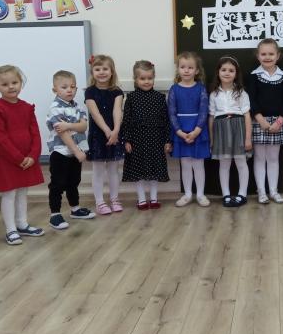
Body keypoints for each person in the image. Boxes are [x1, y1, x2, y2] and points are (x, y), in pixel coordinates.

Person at [0, 65, 45, 246]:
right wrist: (18, 158)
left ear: (21, 83)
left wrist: (33, 155)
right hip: (9, 160)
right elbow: (0, 138)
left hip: (28, 159)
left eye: (14, 82)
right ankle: (11, 229)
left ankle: (22, 224)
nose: (11, 87)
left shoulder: (27, 107)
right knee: (9, 193)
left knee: (22, 192)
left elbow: (35, 133)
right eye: (5, 84)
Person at [45, 70, 94, 230]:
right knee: (58, 184)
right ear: (55, 90)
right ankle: (55, 214)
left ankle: (75, 209)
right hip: (61, 152)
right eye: (64, 87)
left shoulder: (77, 106)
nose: (69, 90)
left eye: (72, 87)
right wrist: (77, 150)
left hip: (75, 152)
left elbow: (83, 126)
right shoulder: (55, 108)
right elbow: (63, 133)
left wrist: (68, 125)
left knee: (74, 181)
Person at [122, 60, 171, 210]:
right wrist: (127, 140)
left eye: (150, 78)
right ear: (135, 79)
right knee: (138, 169)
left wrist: (167, 140)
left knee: (155, 169)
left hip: (156, 138)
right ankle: (141, 199)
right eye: (142, 78)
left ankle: (154, 198)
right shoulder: (131, 98)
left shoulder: (159, 97)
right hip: (137, 139)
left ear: (153, 78)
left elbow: (166, 120)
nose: (146, 81)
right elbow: (126, 120)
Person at [246, 39, 283, 204]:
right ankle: (261, 191)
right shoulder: (254, 76)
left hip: (278, 122)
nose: (267, 57)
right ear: (258, 56)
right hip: (259, 121)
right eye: (263, 54)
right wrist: (260, 119)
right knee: (259, 158)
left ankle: (273, 190)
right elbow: (251, 100)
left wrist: (279, 121)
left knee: (273, 158)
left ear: (278, 56)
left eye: (271, 54)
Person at [168, 52, 210, 207]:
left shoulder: (201, 88)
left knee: (198, 164)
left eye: (190, 67)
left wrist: (197, 131)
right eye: (183, 67)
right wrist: (179, 132)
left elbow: (204, 111)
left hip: (198, 130)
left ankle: (200, 194)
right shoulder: (174, 89)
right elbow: (171, 113)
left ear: (197, 70)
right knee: (185, 164)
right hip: (180, 130)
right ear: (178, 69)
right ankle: (187, 194)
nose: (186, 70)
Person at [209, 56, 252, 207]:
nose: (227, 73)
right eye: (224, 70)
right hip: (221, 131)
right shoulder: (214, 94)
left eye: (231, 70)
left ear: (236, 74)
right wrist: (212, 139)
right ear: (218, 72)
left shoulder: (241, 93)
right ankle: (226, 195)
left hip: (238, 128)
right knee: (224, 164)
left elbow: (247, 116)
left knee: (241, 162)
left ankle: (242, 194)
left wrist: (248, 138)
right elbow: (211, 117)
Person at [84, 54, 125, 215]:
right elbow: (95, 114)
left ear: (111, 71)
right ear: (92, 72)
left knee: (114, 169)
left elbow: (117, 111)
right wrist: (107, 131)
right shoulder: (90, 92)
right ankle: (100, 202)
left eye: (105, 69)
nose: (101, 72)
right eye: (97, 69)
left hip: (115, 133)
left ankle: (114, 199)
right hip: (98, 135)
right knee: (98, 170)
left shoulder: (117, 91)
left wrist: (115, 131)